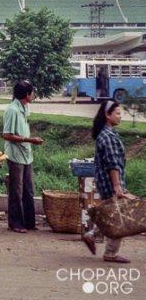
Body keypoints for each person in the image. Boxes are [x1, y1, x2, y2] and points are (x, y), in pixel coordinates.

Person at [82, 100, 135, 264]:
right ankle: (110, 253)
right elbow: (113, 164)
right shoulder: (109, 137)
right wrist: (117, 186)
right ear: (107, 115)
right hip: (110, 182)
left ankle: (92, 235)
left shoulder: (103, 134)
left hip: (104, 181)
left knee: (111, 214)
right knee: (117, 218)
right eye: (118, 113)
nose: (120, 116)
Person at [2, 80, 44, 233]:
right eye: (32, 92)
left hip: (26, 154)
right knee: (16, 191)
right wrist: (30, 140)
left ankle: (29, 222)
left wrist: (29, 141)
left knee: (29, 189)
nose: (33, 95)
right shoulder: (12, 110)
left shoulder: (25, 107)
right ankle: (15, 223)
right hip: (15, 155)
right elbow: (6, 135)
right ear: (27, 94)